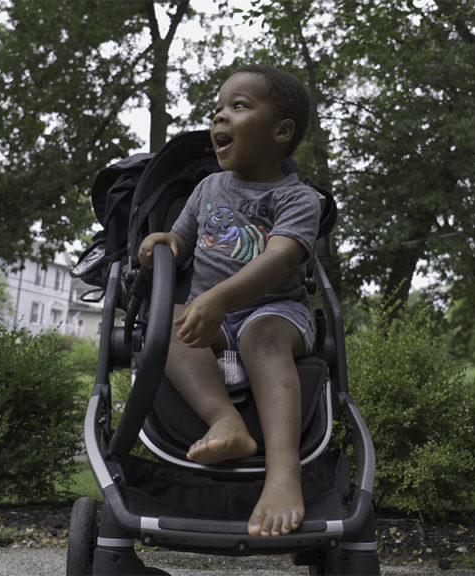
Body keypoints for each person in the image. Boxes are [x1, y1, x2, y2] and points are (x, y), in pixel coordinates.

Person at [138, 64, 319, 538]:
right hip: (212, 321)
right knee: (169, 322)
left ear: (281, 131)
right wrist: (165, 243)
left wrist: (220, 297)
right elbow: (181, 242)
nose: (219, 118)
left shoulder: (297, 198)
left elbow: (280, 260)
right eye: (216, 109)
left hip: (278, 313)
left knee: (261, 336)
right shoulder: (207, 189)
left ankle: (284, 473)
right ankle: (227, 423)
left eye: (238, 107)